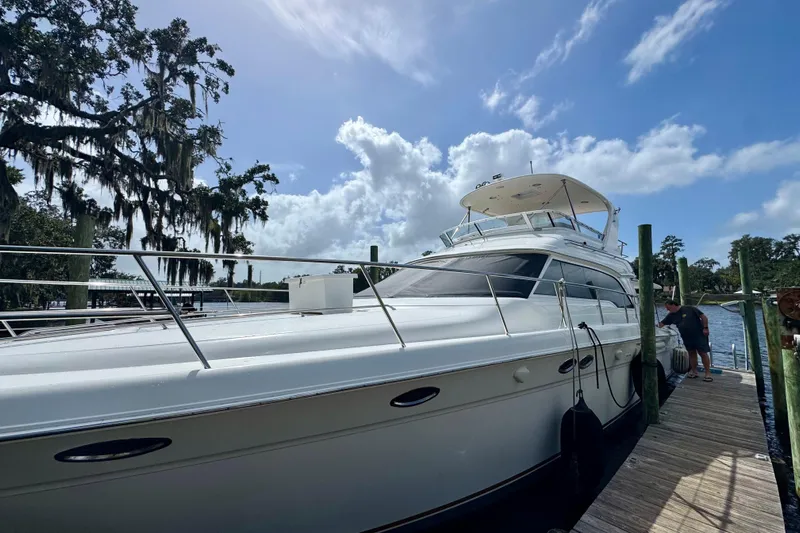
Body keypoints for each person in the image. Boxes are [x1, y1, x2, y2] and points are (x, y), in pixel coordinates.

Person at [658, 299, 713, 382]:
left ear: (673, 305)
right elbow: (661, 324)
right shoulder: (671, 315)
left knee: (702, 353)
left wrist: (705, 328)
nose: (667, 310)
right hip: (686, 337)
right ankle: (694, 371)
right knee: (691, 353)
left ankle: (708, 373)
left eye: (668, 308)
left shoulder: (689, 309)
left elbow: (703, 317)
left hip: (698, 335)